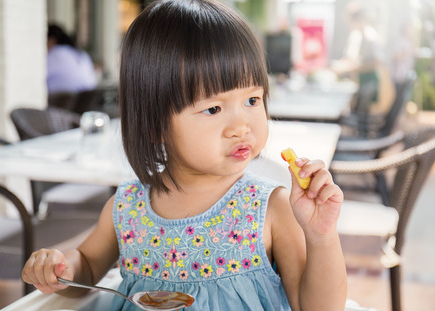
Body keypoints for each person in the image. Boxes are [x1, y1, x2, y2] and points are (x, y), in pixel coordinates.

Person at [22, 1, 347, 310]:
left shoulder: (270, 208)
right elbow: (89, 265)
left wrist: (321, 236)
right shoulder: (127, 207)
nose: (241, 126)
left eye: (252, 100)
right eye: (213, 108)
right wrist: (60, 268)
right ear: (156, 124)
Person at [47, 24, 97, 94]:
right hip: (85, 102)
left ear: (52, 40)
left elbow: (36, 78)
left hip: (61, 102)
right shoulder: (80, 53)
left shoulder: (55, 54)